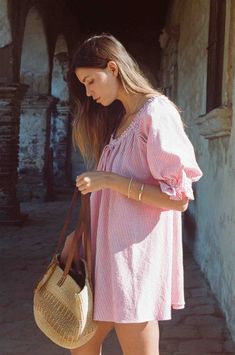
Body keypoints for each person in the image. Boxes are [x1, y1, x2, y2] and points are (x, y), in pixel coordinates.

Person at [61, 33, 203, 355]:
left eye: (90, 81)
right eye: (83, 85)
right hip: (105, 255)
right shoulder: (122, 121)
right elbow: (108, 199)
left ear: (113, 67)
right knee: (81, 343)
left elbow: (178, 198)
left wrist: (109, 179)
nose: (89, 92)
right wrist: (80, 234)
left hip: (134, 262)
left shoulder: (156, 113)